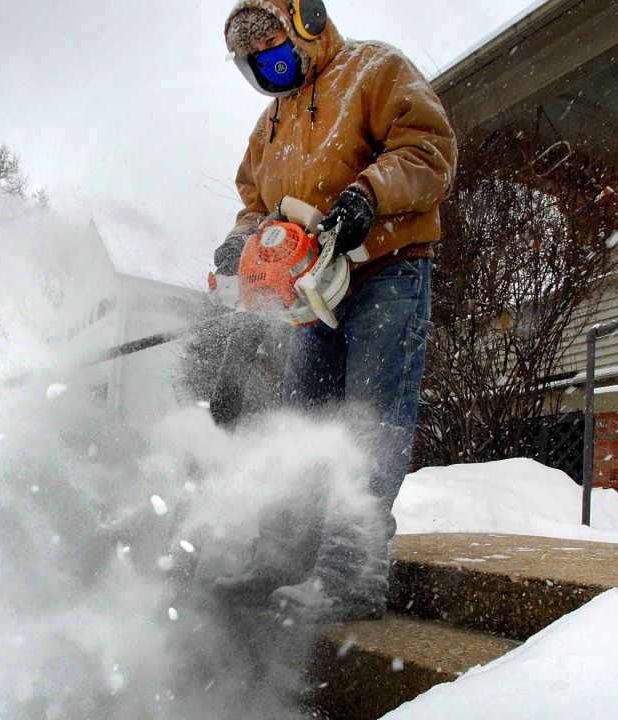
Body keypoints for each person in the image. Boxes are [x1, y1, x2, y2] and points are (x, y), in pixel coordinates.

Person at [214, 0, 456, 622]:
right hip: (311, 294)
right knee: (305, 424)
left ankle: (351, 576)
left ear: (307, 25)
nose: (269, 75)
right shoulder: (269, 126)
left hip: (386, 273)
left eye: (273, 56)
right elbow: (254, 202)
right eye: (254, 68)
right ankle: (283, 559)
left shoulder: (373, 71)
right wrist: (244, 239)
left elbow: (430, 150)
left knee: (369, 421)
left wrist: (367, 194)